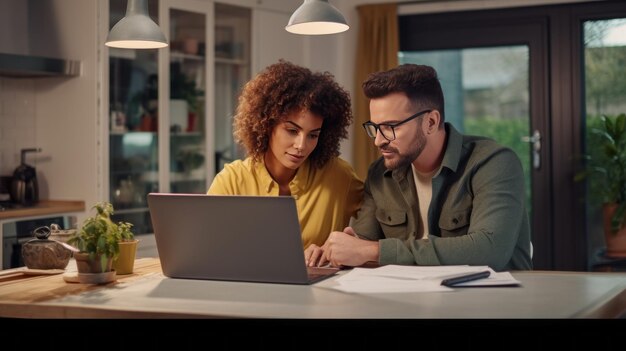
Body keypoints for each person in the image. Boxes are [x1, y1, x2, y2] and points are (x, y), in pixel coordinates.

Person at [305, 64, 532, 271]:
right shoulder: (380, 174)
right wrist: (331, 252)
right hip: (411, 303)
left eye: (391, 127)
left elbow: (489, 251)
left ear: (430, 122)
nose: (378, 140)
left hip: (490, 305)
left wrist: (374, 251)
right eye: (375, 128)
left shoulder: (494, 163)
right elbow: (361, 244)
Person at [208, 60, 363, 249]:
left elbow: (381, 227)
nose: (301, 146)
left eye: (313, 135)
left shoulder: (339, 176)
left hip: (324, 279)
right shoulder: (231, 181)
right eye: (292, 131)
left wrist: (347, 245)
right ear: (267, 125)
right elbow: (209, 247)